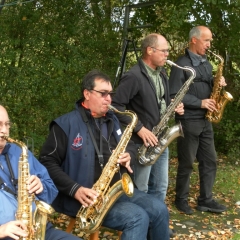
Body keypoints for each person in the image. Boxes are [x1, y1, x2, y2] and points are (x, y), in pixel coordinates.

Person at [39, 70, 170, 240]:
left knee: (159, 209)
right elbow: (47, 163)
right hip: (82, 198)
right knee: (137, 217)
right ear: (87, 94)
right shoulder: (64, 125)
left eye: (110, 94)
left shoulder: (112, 119)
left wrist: (128, 155)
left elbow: (129, 144)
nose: (109, 99)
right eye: (103, 94)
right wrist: (75, 189)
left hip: (114, 191)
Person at [112, 33, 184, 201]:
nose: (167, 55)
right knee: (141, 189)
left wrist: (173, 105)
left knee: (160, 187)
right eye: (164, 51)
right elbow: (115, 106)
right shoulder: (133, 76)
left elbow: (158, 100)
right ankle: (139, 224)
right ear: (150, 50)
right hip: (140, 142)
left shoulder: (162, 72)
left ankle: (156, 225)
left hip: (161, 139)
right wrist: (139, 128)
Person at [168, 25, 227, 215]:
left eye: (210, 41)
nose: (209, 45)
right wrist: (200, 102)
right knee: (186, 162)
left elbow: (209, 86)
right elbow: (174, 94)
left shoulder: (207, 63)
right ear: (194, 40)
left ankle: (205, 200)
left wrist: (219, 82)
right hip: (188, 120)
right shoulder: (181, 64)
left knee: (210, 160)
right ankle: (181, 200)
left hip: (206, 120)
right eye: (206, 40)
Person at [0, 105, 81, 240]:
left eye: (7, 125)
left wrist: (41, 187)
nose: (4, 131)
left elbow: (51, 189)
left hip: (39, 230)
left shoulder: (19, 151)